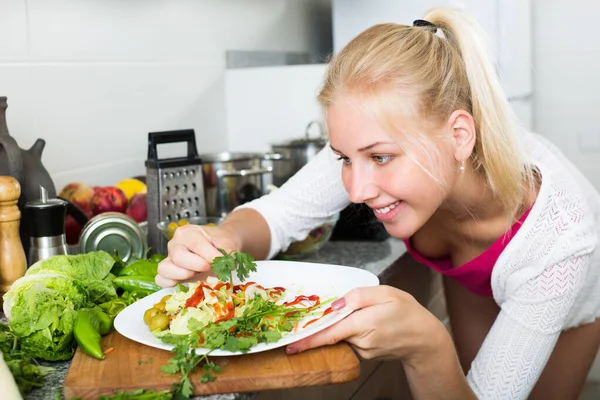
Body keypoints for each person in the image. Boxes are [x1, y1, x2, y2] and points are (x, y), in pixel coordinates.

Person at [156, 7, 600, 400]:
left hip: (569, 298)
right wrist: (223, 237)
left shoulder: (560, 241)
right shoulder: (370, 141)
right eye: (345, 159)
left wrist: (429, 346)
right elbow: (278, 215)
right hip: (473, 274)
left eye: (381, 157)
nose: (356, 191)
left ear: (459, 136)